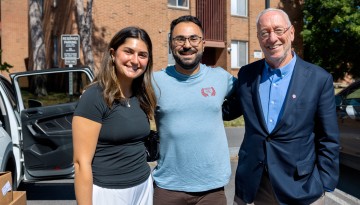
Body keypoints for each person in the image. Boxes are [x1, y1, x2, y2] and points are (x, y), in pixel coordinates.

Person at [223, 8, 340, 205]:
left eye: (278, 30)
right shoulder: (247, 75)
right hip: (254, 186)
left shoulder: (319, 79)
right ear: (259, 38)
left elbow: (328, 139)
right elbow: (226, 111)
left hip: (301, 188)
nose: (272, 38)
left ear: (291, 33)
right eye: (264, 32)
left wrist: (324, 183)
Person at [152, 15, 237, 205]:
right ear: (170, 44)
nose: (187, 45)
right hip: (168, 187)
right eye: (179, 39)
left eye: (193, 38)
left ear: (203, 43)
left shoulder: (221, 78)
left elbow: (252, 92)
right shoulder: (154, 81)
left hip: (212, 189)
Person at [72, 26, 157, 205]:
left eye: (142, 55)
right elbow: (81, 164)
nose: (135, 60)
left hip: (142, 186)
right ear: (113, 53)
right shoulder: (94, 96)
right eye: (128, 52)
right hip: (108, 193)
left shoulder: (141, 94)